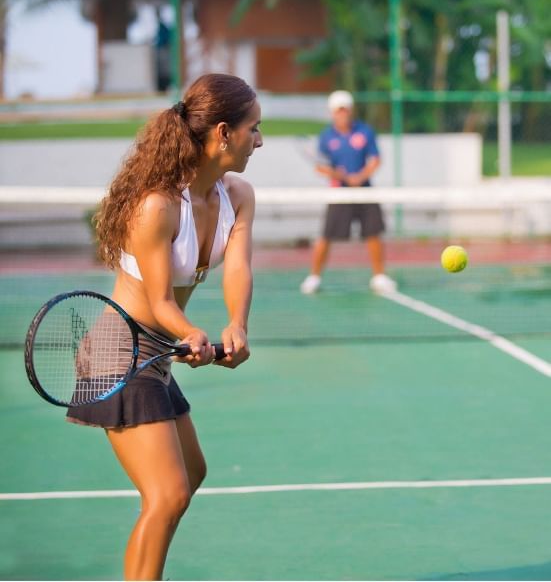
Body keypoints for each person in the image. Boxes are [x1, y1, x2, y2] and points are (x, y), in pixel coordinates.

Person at [66, 73, 262, 580]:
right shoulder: (156, 205)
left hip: (157, 350)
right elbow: (156, 300)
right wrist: (192, 332)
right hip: (120, 350)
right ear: (224, 132)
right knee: (168, 492)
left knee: (189, 476)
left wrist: (235, 324)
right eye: (254, 129)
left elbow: (237, 267)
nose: (259, 140)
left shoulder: (236, 194)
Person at [300, 90, 396, 295]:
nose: (342, 114)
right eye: (338, 111)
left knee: (373, 233)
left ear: (351, 111)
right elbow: (321, 167)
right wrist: (340, 175)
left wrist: (360, 176)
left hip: (365, 191)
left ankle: (379, 276)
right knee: (326, 235)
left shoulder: (365, 131)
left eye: (345, 110)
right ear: (332, 113)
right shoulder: (326, 136)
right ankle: (314, 277)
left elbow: (376, 159)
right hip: (338, 193)